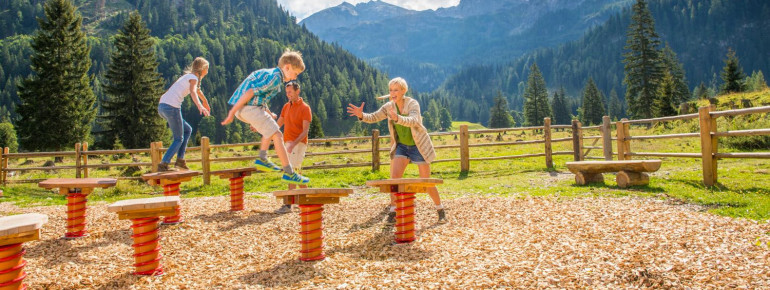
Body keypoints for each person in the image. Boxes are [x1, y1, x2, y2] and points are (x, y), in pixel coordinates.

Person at [346, 77, 446, 224]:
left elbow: (413, 120)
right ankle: (393, 211)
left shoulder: (412, 104)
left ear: (403, 91)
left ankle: (440, 210)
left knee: (427, 183)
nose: (393, 93)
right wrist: (361, 115)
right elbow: (374, 117)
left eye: (396, 90)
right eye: (391, 90)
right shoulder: (388, 106)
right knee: (394, 180)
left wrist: (397, 117)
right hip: (402, 147)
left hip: (418, 146)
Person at [221, 49, 310, 185]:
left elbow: (259, 99)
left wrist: (268, 114)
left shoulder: (271, 74)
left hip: (248, 108)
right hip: (246, 108)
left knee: (270, 129)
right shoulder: (275, 78)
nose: (294, 77)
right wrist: (232, 112)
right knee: (278, 135)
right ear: (287, 67)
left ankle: (264, 158)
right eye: (295, 73)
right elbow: (251, 92)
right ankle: (286, 171)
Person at [157, 57, 211, 171]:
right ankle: (163, 164)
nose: (208, 71)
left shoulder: (188, 77)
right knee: (178, 138)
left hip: (162, 107)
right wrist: (200, 105)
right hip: (171, 108)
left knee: (187, 130)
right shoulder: (193, 78)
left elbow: (197, 91)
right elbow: (193, 91)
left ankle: (180, 161)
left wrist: (205, 101)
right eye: (207, 68)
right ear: (202, 69)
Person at [274, 80, 312, 214]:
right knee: (296, 172)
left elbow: (305, 132)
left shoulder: (305, 108)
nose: (288, 94)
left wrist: (293, 144)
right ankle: (307, 199)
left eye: (290, 92)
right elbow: (278, 123)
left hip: (299, 143)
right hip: (288, 144)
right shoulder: (286, 106)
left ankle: (289, 204)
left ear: (297, 91)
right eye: (286, 92)